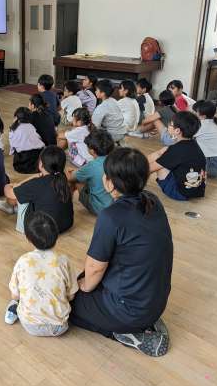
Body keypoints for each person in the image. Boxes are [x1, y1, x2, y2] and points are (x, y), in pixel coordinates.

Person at [70, 147, 172, 357]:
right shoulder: (153, 200)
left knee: (66, 303)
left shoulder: (111, 216)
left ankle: (129, 334)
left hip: (129, 311)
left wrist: (82, 288)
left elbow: (95, 269)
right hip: (155, 301)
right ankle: (140, 323)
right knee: (83, 279)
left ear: (109, 183)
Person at [4, 211, 78, 336]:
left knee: (15, 301)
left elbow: (15, 295)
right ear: (56, 236)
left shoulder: (23, 260)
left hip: (29, 325)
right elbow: (71, 296)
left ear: (29, 239)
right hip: (60, 327)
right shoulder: (64, 261)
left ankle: (13, 310)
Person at [0, 146, 74, 235]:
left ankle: (17, 220)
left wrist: (7, 185)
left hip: (42, 229)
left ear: (41, 164)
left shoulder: (37, 183)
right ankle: (12, 206)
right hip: (65, 225)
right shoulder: (62, 177)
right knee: (26, 193)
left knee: (18, 195)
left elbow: (10, 193)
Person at [148, 112, 206, 201]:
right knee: (162, 153)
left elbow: (151, 168)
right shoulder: (193, 144)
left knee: (158, 164)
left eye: (170, 124)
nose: (168, 125)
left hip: (180, 193)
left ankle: (134, 181)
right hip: (197, 190)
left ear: (177, 131)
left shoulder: (176, 150)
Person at [67, 129, 115, 215]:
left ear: (92, 151)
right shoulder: (117, 159)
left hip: (100, 208)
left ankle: (67, 208)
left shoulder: (91, 166)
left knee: (75, 181)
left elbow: (70, 178)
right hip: (115, 204)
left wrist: (71, 173)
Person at [193, 100, 217, 178]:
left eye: (196, 112)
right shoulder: (214, 122)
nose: (193, 113)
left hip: (213, 166)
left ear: (203, 116)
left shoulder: (202, 125)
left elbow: (184, 136)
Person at [9, 107, 45, 174]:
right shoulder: (31, 126)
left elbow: (12, 150)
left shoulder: (13, 129)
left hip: (22, 166)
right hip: (37, 163)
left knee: (17, 150)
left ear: (16, 118)